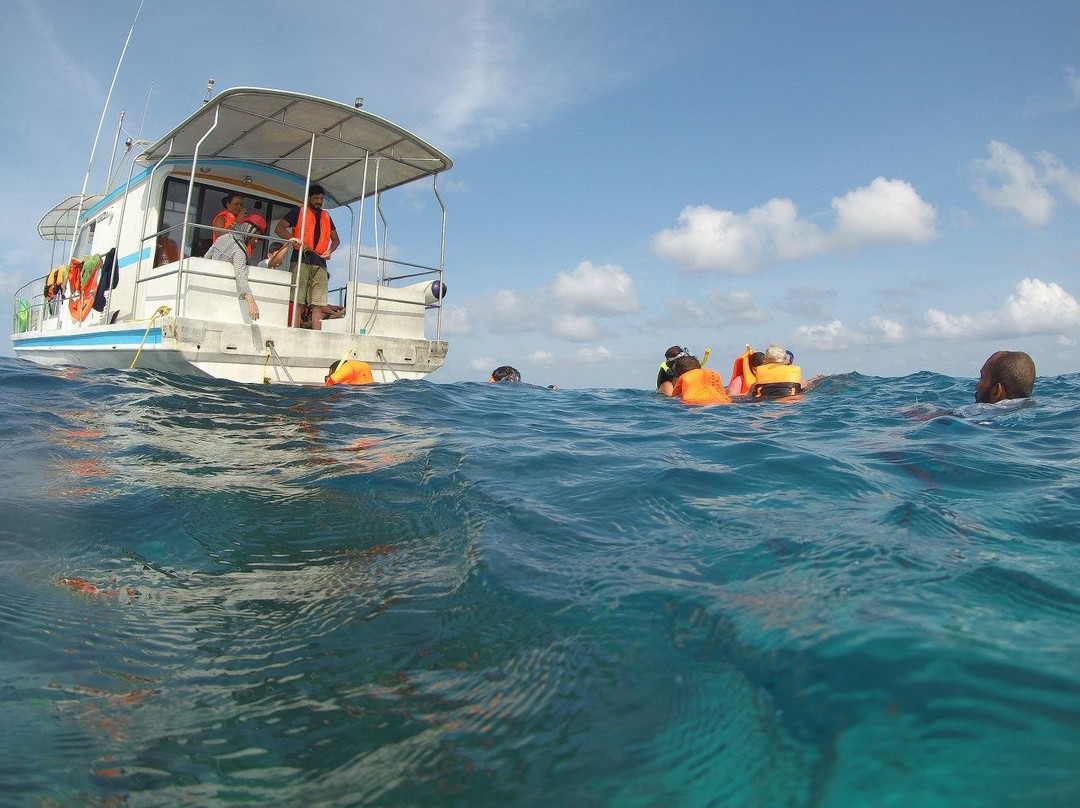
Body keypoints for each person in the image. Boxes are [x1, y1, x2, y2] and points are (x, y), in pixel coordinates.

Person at [275, 184, 340, 330]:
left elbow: (336, 240)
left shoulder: (326, 216)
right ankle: (294, 331)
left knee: (318, 302)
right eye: (316, 198)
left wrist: (330, 251)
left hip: (320, 262)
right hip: (300, 258)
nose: (319, 201)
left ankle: (317, 335)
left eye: (321, 199)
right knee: (298, 300)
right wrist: (293, 239)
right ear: (309, 198)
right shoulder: (298, 212)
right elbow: (279, 228)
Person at [204, 213, 267, 322]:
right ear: (249, 233)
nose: (256, 241)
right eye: (256, 237)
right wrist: (251, 302)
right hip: (223, 296)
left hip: (209, 288)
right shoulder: (239, 251)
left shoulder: (224, 237)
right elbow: (240, 275)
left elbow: (206, 257)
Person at [659, 351, 731, 405]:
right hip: (726, 405)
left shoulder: (682, 397)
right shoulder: (713, 378)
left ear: (680, 378)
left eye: (673, 375)